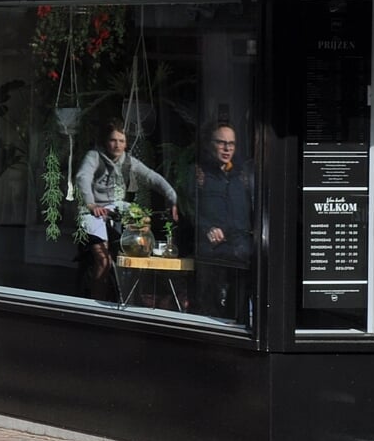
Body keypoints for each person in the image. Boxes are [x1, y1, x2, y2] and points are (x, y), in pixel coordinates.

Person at [73, 118, 177, 302]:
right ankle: (95, 305)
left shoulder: (128, 161)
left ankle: (133, 297)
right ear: (106, 141)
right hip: (93, 210)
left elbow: (151, 177)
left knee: (140, 230)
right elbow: (83, 177)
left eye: (121, 141)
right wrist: (91, 204)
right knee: (103, 260)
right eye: (113, 140)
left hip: (116, 208)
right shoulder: (94, 156)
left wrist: (171, 197)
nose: (117, 145)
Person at [188, 123, 254, 322]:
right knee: (209, 312)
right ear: (210, 144)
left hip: (240, 253)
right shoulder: (199, 173)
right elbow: (189, 209)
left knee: (238, 313)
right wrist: (206, 228)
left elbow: (249, 213)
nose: (227, 149)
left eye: (231, 144)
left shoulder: (242, 176)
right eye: (221, 143)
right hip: (211, 253)